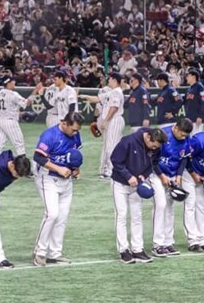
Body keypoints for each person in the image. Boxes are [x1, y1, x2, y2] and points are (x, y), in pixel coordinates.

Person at [31, 112, 84, 267]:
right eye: (73, 129)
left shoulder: (75, 135)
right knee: (52, 214)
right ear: (65, 123)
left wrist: (76, 169)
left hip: (66, 181)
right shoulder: (50, 135)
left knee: (62, 217)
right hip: (47, 178)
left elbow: (75, 155)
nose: (75, 133)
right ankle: (39, 252)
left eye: (77, 130)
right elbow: (38, 157)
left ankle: (55, 253)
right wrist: (59, 169)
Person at [110, 127, 168, 264]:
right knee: (121, 215)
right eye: (153, 145)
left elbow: (153, 164)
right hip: (120, 183)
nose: (154, 149)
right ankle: (124, 250)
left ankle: (137, 249)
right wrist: (128, 176)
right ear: (148, 137)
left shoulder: (156, 147)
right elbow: (115, 160)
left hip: (137, 185)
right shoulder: (128, 141)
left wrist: (144, 175)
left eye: (156, 147)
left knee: (137, 216)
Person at [150, 118, 193, 257]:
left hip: (172, 176)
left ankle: (168, 242)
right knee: (160, 205)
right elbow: (152, 160)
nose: (184, 137)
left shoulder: (186, 138)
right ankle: (157, 244)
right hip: (156, 174)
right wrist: (162, 176)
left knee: (169, 209)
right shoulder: (163, 135)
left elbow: (184, 157)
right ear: (175, 128)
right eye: (182, 134)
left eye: (186, 135)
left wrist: (179, 175)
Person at [81, 73, 125, 178]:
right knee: (107, 146)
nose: (108, 80)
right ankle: (106, 169)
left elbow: (114, 107)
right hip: (112, 120)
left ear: (114, 80)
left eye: (110, 78)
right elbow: (97, 99)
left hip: (114, 120)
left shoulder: (116, 92)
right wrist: (83, 96)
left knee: (111, 146)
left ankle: (111, 170)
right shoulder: (112, 92)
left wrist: (105, 120)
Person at [0, 75, 42, 159]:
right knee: (20, 147)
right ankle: (22, 168)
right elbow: (28, 103)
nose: (14, 83)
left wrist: (20, 113)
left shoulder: (0, 92)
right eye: (12, 81)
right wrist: (36, 90)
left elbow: (10, 108)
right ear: (8, 83)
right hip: (10, 123)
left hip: (1, 122)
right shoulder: (13, 94)